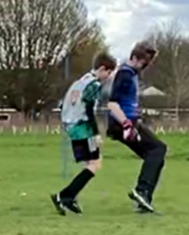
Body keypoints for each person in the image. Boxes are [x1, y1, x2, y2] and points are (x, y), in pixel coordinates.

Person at [51, 52, 117, 215]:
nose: (108, 77)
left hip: (71, 125)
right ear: (102, 69)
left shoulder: (80, 81)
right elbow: (89, 109)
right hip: (83, 127)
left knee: (89, 163)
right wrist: (95, 133)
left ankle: (70, 197)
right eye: (108, 73)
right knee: (96, 163)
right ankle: (65, 196)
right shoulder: (93, 85)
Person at [104, 42, 165, 213]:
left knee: (154, 156)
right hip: (122, 124)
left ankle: (144, 200)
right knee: (158, 150)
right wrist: (126, 124)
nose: (144, 67)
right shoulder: (124, 73)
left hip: (130, 123)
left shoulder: (132, 74)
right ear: (134, 58)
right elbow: (112, 104)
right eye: (143, 63)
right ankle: (142, 192)